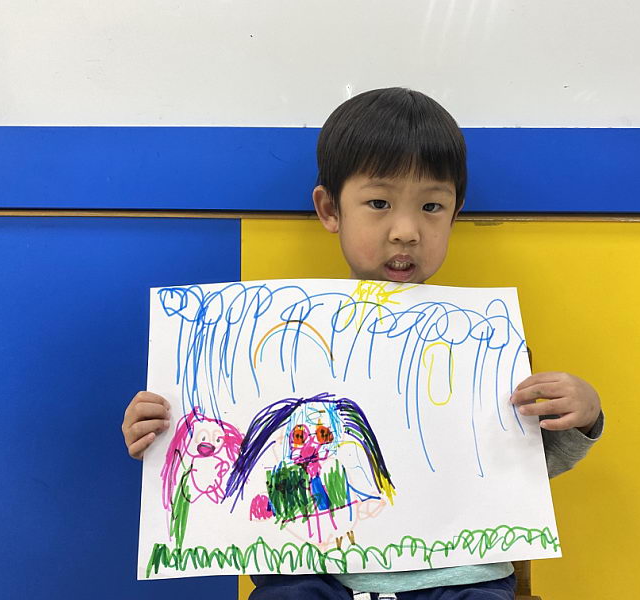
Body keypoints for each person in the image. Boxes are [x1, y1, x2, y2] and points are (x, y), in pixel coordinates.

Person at [121, 87, 603, 599]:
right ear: (330, 209)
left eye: (432, 206)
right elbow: (237, 458)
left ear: (455, 213)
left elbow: (519, 468)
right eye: (379, 203)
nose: (406, 230)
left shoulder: (479, 345)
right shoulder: (278, 342)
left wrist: (584, 416)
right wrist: (160, 430)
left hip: (462, 580)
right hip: (317, 576)